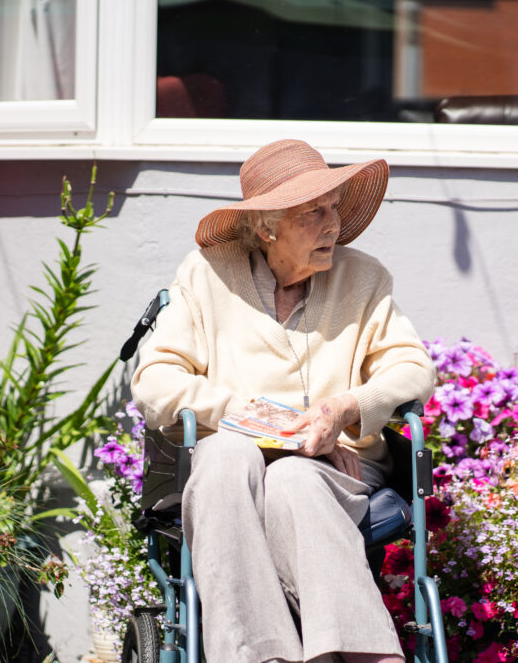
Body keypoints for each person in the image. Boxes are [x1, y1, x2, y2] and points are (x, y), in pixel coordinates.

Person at [131, 139, 436, 663]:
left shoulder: (362, 278)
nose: (332, 224)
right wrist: (268, 427)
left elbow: (412, 369)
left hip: (338, 469)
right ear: (267, 226)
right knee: (228, 457)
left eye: (335, 207)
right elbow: (155, 381)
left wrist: (342, 410)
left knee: (294, 478)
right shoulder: (206, 275)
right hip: (236, 459)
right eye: (312, 212)